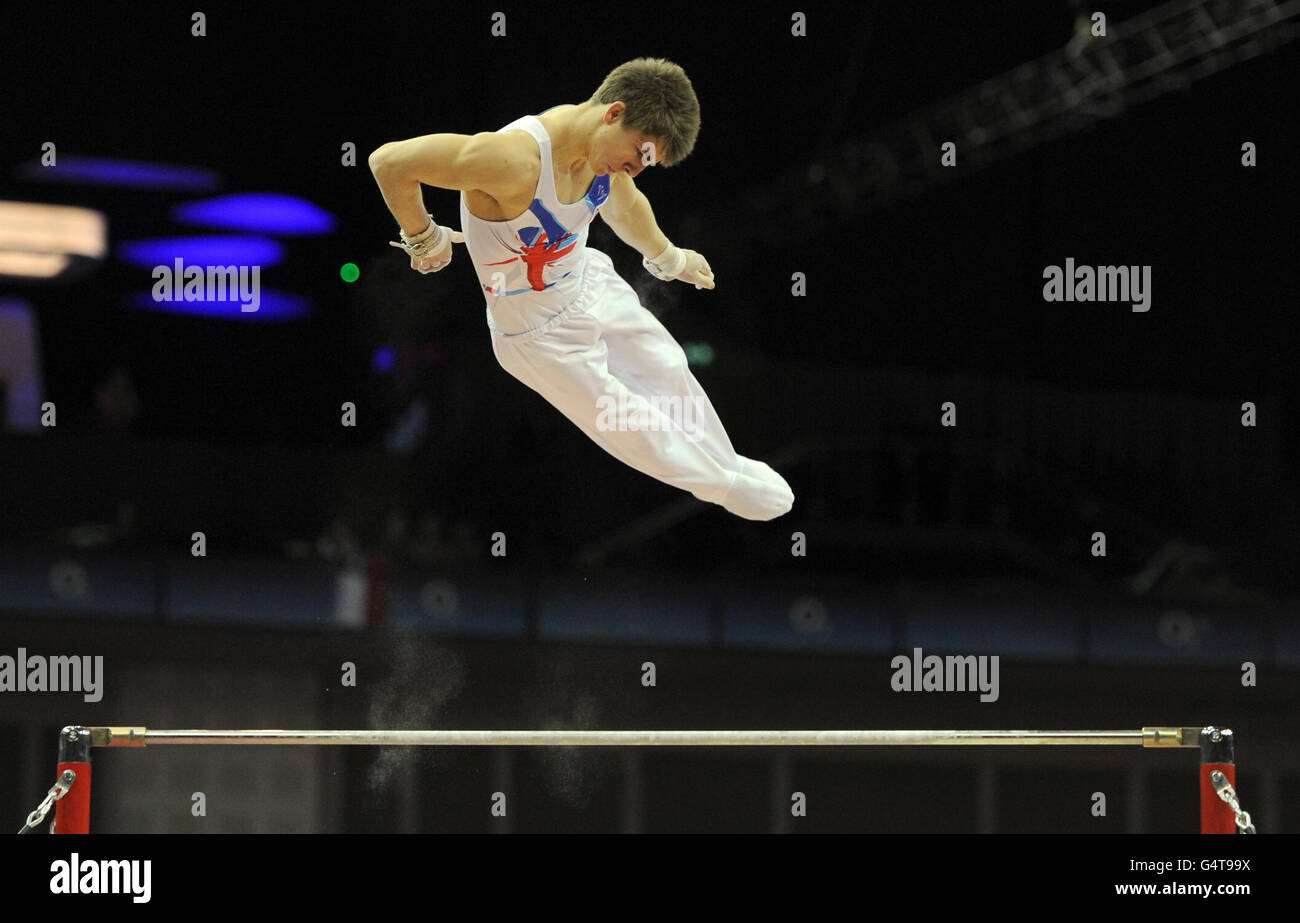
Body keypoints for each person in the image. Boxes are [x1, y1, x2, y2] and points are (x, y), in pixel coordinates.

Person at [368, 57, 793, 521]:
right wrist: (423, 235)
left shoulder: (605, 159)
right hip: (537, 336)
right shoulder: (510, 160)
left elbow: (626, 206)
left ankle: (727, 461)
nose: (636, 168)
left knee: (668, 366)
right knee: (625, 419)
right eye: (638, 154)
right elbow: (389, 162)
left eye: (646, 163)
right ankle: (722, 486)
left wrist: (670, 257)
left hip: (586, 281)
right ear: (614, 112)